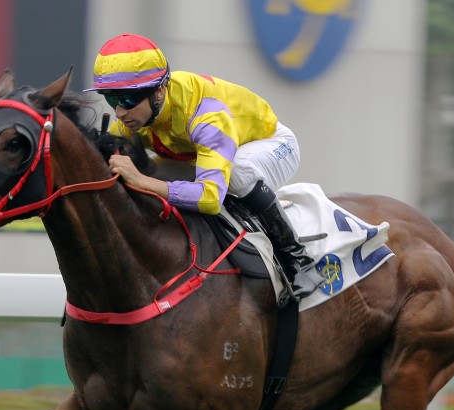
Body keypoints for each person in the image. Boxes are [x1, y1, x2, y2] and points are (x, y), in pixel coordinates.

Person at [85, 33, 323, 304]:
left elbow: (210, 198)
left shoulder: (206, 115)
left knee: (237, 173)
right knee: (155, 172)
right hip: (203, 154)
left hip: (272, 144)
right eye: (112, 100)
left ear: (159, 91)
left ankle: (298, 259)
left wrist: (142, 181)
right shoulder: (139, 114)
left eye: (127, 100)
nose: (119, 113)